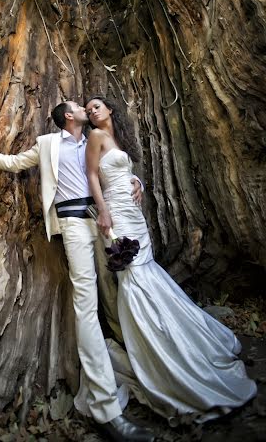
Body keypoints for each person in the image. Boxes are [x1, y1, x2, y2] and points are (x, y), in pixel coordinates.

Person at [0, 101, 154, 442]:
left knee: (117, 293)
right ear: (68, 115)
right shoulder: (47, 144)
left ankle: (148, 367)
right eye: (78, 106)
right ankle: (106, 409)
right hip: (72, 224)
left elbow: (115, 172)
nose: (86, 107)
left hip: (105, 222)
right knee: (85, 302)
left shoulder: (96, 139)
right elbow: (13, 163)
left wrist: (136, 182)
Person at [84, 95, 257, 425]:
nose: (93, 111)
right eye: (88, 109)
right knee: (133, 279)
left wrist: (141, 184)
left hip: (134, 214)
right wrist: (103, 211)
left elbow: (126, 175)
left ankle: (178, 342)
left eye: (97, 106)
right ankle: (157, 357)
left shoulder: (118, 137)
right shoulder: (95, 137)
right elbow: (93, 175)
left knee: (147, 272)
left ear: (109, 109)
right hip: (116, 215)